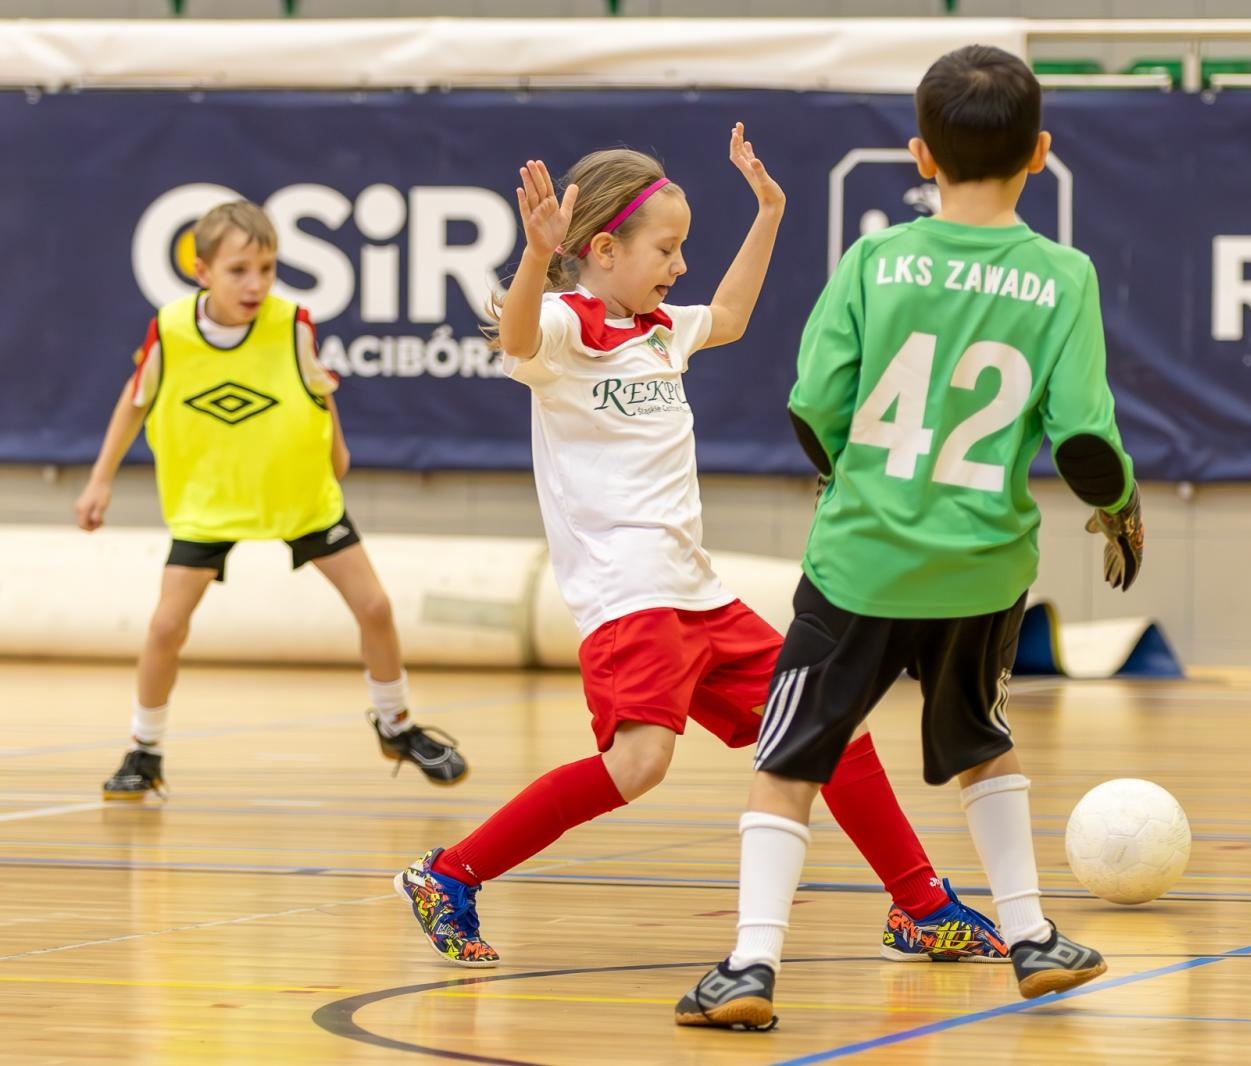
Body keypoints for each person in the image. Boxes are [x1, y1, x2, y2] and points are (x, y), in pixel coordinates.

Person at [394, 125, 1004, 970]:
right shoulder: (568, 329)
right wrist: (537, 259)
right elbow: (518, 338)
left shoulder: (660, 328)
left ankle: (921, 906)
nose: (679, 266)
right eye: (666, 249)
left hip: (698, 594)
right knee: (639, 765)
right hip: (629, 595)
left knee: (829, 728)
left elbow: (732, 315)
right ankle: (450, 874)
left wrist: (771, 212)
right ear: (603, 249)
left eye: (684, 250)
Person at [675, 46, 1144, 1030]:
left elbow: (812, 402)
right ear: (1042, 154)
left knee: (790, 753)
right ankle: (1028, 937)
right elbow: (1086, 438)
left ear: (919, 156)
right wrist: (1119, 503)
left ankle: (751, 964)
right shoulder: (1065, 276)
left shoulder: (874, 260)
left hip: (861, 558)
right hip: (982, 566)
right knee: (981, 739)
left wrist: (859, 479)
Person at [74, 200, 467, 799]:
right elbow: (132, 405)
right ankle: (144, 749)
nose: (256, 283)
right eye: (239, 270)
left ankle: (398, 727)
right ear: (202, 271)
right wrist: (99, 479)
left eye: (266, 267)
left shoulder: (293, 324)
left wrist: (339, 448)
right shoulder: (171, 330)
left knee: (376, 608)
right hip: (212, 501)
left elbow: (318, 389)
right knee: (165, 626)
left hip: (299, 495)